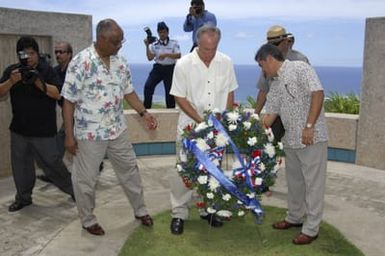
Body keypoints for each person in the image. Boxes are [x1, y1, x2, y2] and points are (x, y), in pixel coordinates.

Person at [61, 18, 158, 236]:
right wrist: (69, 136)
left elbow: (129, 92)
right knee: (85, 180)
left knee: (130, 171)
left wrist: (144, 113)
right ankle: (87, 219)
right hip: (90, 133)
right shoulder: (81, 62)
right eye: (116, 42)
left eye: (121, 41)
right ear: (102, 39)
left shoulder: (120, 62)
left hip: (117, 130)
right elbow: (68, 101)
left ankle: (140, 210)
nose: (120, 45)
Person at [255, 44, 328, 245]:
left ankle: (311, 229)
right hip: (291, 140)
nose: (263, 71)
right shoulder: (276, 83)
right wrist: (249, 132)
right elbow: (270, 116)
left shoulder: (300, 68)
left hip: (311, 137)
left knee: (313, 184)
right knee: (295, 182)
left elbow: (318, 93)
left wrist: (309, 126)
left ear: (269, 59)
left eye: (262, 65)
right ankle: (294, 218)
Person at [169, 25, 238, 235]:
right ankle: (179, 213)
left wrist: (223, 120)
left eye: (214, 48)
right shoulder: (183, 64)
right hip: (190, 128)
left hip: (215, 131)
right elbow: (179, 97)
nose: (210, 53)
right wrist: (201, 120)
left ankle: (207, 210)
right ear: (198, 43)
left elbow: (229, 93)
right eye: (206, 49)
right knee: (185, 173)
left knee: (211, 172)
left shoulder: (225, 62)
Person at [0, 36, 75, 212]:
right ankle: (23, 198)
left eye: (32, 53)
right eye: (24, 54)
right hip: (19, 130)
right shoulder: (13, 71)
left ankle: (75, 191)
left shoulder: (47, 70)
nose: (29, 57)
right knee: (21, 167)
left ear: (37, 53)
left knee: (53, 164)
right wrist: (11, 81)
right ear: (19, 55)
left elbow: (58, 94)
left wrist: (38, 82)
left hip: (43, 131)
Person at [36, 41, 73, 183]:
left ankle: (54, 173)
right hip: (67, 113)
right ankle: (53, 173)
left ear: (69, 54)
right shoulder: (55, 71)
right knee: (60, 144)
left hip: (79, 114)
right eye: (56, 52)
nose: (58, 54)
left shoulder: (75, 70)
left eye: (61, 52)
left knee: (61, 142)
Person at [255, 25, 309, 115]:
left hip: (298, 114)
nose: (274, 47)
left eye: (276, 43)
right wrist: (255, 115)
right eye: (271, 44)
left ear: (286, 41)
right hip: (274, 115)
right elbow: (263, 90)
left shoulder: (300, 59)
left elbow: (313, 92)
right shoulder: (267, 61)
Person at [143, 21, 181, 109]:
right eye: (160, 32)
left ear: (167, 32)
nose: (162, 34)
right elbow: (150, 58)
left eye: (164, 32)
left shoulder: (173, 43)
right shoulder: (154, 44)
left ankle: (170, 112)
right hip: (158, 68)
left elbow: (178, 55)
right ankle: (146, 109)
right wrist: (147, 46)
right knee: (148, 86)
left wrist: (166, 55)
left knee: (169, 92)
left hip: (170, 68)